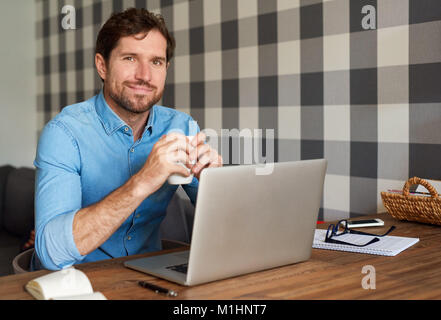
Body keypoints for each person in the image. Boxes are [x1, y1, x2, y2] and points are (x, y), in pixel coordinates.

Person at [32, 8, 222, 271]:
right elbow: (51, 253)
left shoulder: (181, 126)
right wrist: (143, 181)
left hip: (148, 277)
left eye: (156, 62)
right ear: (102, 66)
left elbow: (227, 225)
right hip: (75, 282)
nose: (144, 75)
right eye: (130, 58)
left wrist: (216, 184)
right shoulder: (65, 133)